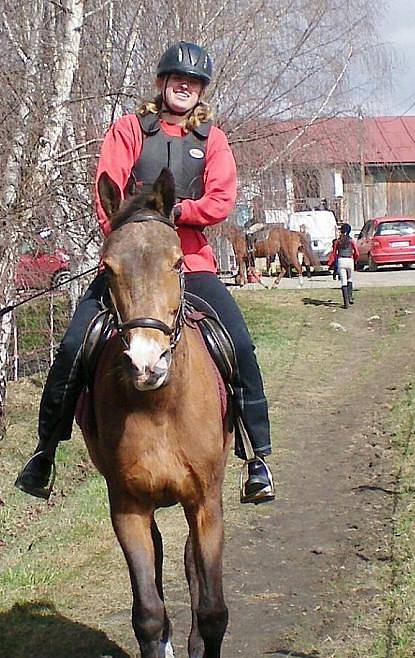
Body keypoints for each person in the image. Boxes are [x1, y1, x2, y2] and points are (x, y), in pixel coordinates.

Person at [15, 41, 275, 505]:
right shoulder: (129, 130)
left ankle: (257, 456)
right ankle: (45, 453)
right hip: (130, 267)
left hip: (188, 264)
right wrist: (136, 234)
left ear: (200, 92)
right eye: (177, 79)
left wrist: (172, 215)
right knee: (76, 344)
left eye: (193, 82)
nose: (185, 87)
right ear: (161, 84)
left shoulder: (212, 140)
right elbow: (107, 192)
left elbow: (221, 201)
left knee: (239, 343)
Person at [327, 223, 359, 308]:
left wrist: (330, 263)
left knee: (343, 282)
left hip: (341, 260)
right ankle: (350, 297)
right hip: (350, 260)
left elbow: (334, 254)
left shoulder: (338, 241)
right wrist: (355, 260)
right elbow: (357, 253)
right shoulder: (351, 240)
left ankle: (346, 303)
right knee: (350, 279)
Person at [244, 195, 267, 265]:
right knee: (248, 229)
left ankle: (251, 247)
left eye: (253, 202)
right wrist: (248, 222)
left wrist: (251, 222)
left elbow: (257, 219)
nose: (252, 203)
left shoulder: (258, 209)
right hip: (258, 223)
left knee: (248, 232)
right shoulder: (255, 209)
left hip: (260, 224)